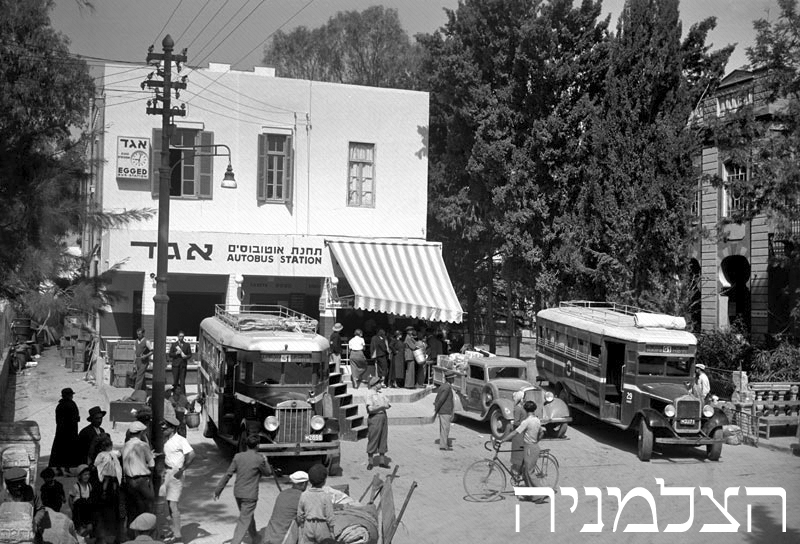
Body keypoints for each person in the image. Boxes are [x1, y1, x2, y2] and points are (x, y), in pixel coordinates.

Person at [213, 434, 272, 544]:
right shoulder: (259, 459)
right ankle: (235, 542)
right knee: (244, 519)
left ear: (247, 445)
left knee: (247, 515)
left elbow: (228, 474)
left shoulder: (238, 457)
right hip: (250, 495)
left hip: (238, 493)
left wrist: (218, 490)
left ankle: (255, 537)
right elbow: (268, 473)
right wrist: (266, 461)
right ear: (258, 445)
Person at [498, 401, 544, 501]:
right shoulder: (537, 420)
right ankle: (531, 494)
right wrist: (536, 440)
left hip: (529, 448)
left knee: (529, 472)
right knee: (524, 471)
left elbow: (515, 432)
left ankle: (542, 492)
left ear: (525, 410)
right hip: (534, 447)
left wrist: (502, 440)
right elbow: (541, 433)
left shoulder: (526, 422)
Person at [160, 414, 195, 542]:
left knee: (173, 504)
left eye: (165, 427)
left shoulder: (180, 440)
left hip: (176, 473)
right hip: (167, 472)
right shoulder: (166, 440)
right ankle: (173, 530)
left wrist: (182, 469)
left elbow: (192, 454)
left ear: (172, 428)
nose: (163, 429)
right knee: (167, 504)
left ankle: (178, 536)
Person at [122, 421, 155, 534]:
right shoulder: (143, 445)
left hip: (129, 481)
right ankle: (147, 532)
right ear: (140, 433)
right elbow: (152, 464)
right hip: (142, 480)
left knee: (132, 508)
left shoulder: (125, 445)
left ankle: (131, 534)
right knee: (147, 506)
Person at [1, 467, 48, 539]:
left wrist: (35, 521)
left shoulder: (31, 492)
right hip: (9, 530)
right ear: (8, 485)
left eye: (22, 482)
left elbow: (40, 509)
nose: (19, 486)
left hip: (28, 528)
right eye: (15, 484)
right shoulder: (2, 497)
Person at [93, 434, 123, 544]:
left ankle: (102, 538)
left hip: (102, 491)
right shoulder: (113, 455)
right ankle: (112, 537)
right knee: (112, 514)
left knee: (102, 514)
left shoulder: (99, 456)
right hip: (112, 490)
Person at [263, 471, 308, 544]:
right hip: (283, 539)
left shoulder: (282, 493)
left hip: (269, 535)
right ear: (304, 484)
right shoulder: (302, 497)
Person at [296, 464, 335, 544]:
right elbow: (330, 515)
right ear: (324, 481)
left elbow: (300, 514)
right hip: (322, 526)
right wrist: (331, 531)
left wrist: (302, 525)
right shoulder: (326, 496)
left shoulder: (304, 495)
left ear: (309, 481)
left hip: (308, 525)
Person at [49, 387, 80, 476]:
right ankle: (66, 469)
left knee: (59, 450)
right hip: (70, 432)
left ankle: (58, 468)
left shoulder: (60, 405)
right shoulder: (72, 404)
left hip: (60, 431)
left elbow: (58, 420)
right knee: (68, 451)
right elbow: (75, 418)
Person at [365, 376, 391, 470]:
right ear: (375, 385)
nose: (381, 384)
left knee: (383, 438)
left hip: (383, 416)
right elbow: (370, 409)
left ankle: (382, 461)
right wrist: (381, 407)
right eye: (379, 383)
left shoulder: (380, 393)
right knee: (373, 438)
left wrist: (384, 406)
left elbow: (388, 404)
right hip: (375, 417)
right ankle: (370, 462)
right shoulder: (369, 394)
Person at [69, 464, 94, 536]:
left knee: (89, 528)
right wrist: (73, 510)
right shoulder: (76, 487)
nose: (87, 476)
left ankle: (86, 537)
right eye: (85, 475)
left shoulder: (89, 486)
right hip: (78, 511)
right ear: (79, 476)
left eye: (88, 474)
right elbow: (70, 499)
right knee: (80, 530)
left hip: (87, 511)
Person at [433, 370, 455, 451]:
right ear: (449, 379)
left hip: (443, 411)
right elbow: (441, 400)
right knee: (445, 428)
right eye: (453, 378)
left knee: (444, 428)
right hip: (445, 410)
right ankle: (443, 445)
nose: (454, 379)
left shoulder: (444, 386)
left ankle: (444, 443)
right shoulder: (447, 388)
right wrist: (436, 409)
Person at [509, 390, 526, 473]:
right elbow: (516, 422)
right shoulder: (518, 409)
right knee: (518, 454)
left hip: (522, 433)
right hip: (519, 435)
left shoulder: (520, 408)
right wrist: (525, 423)